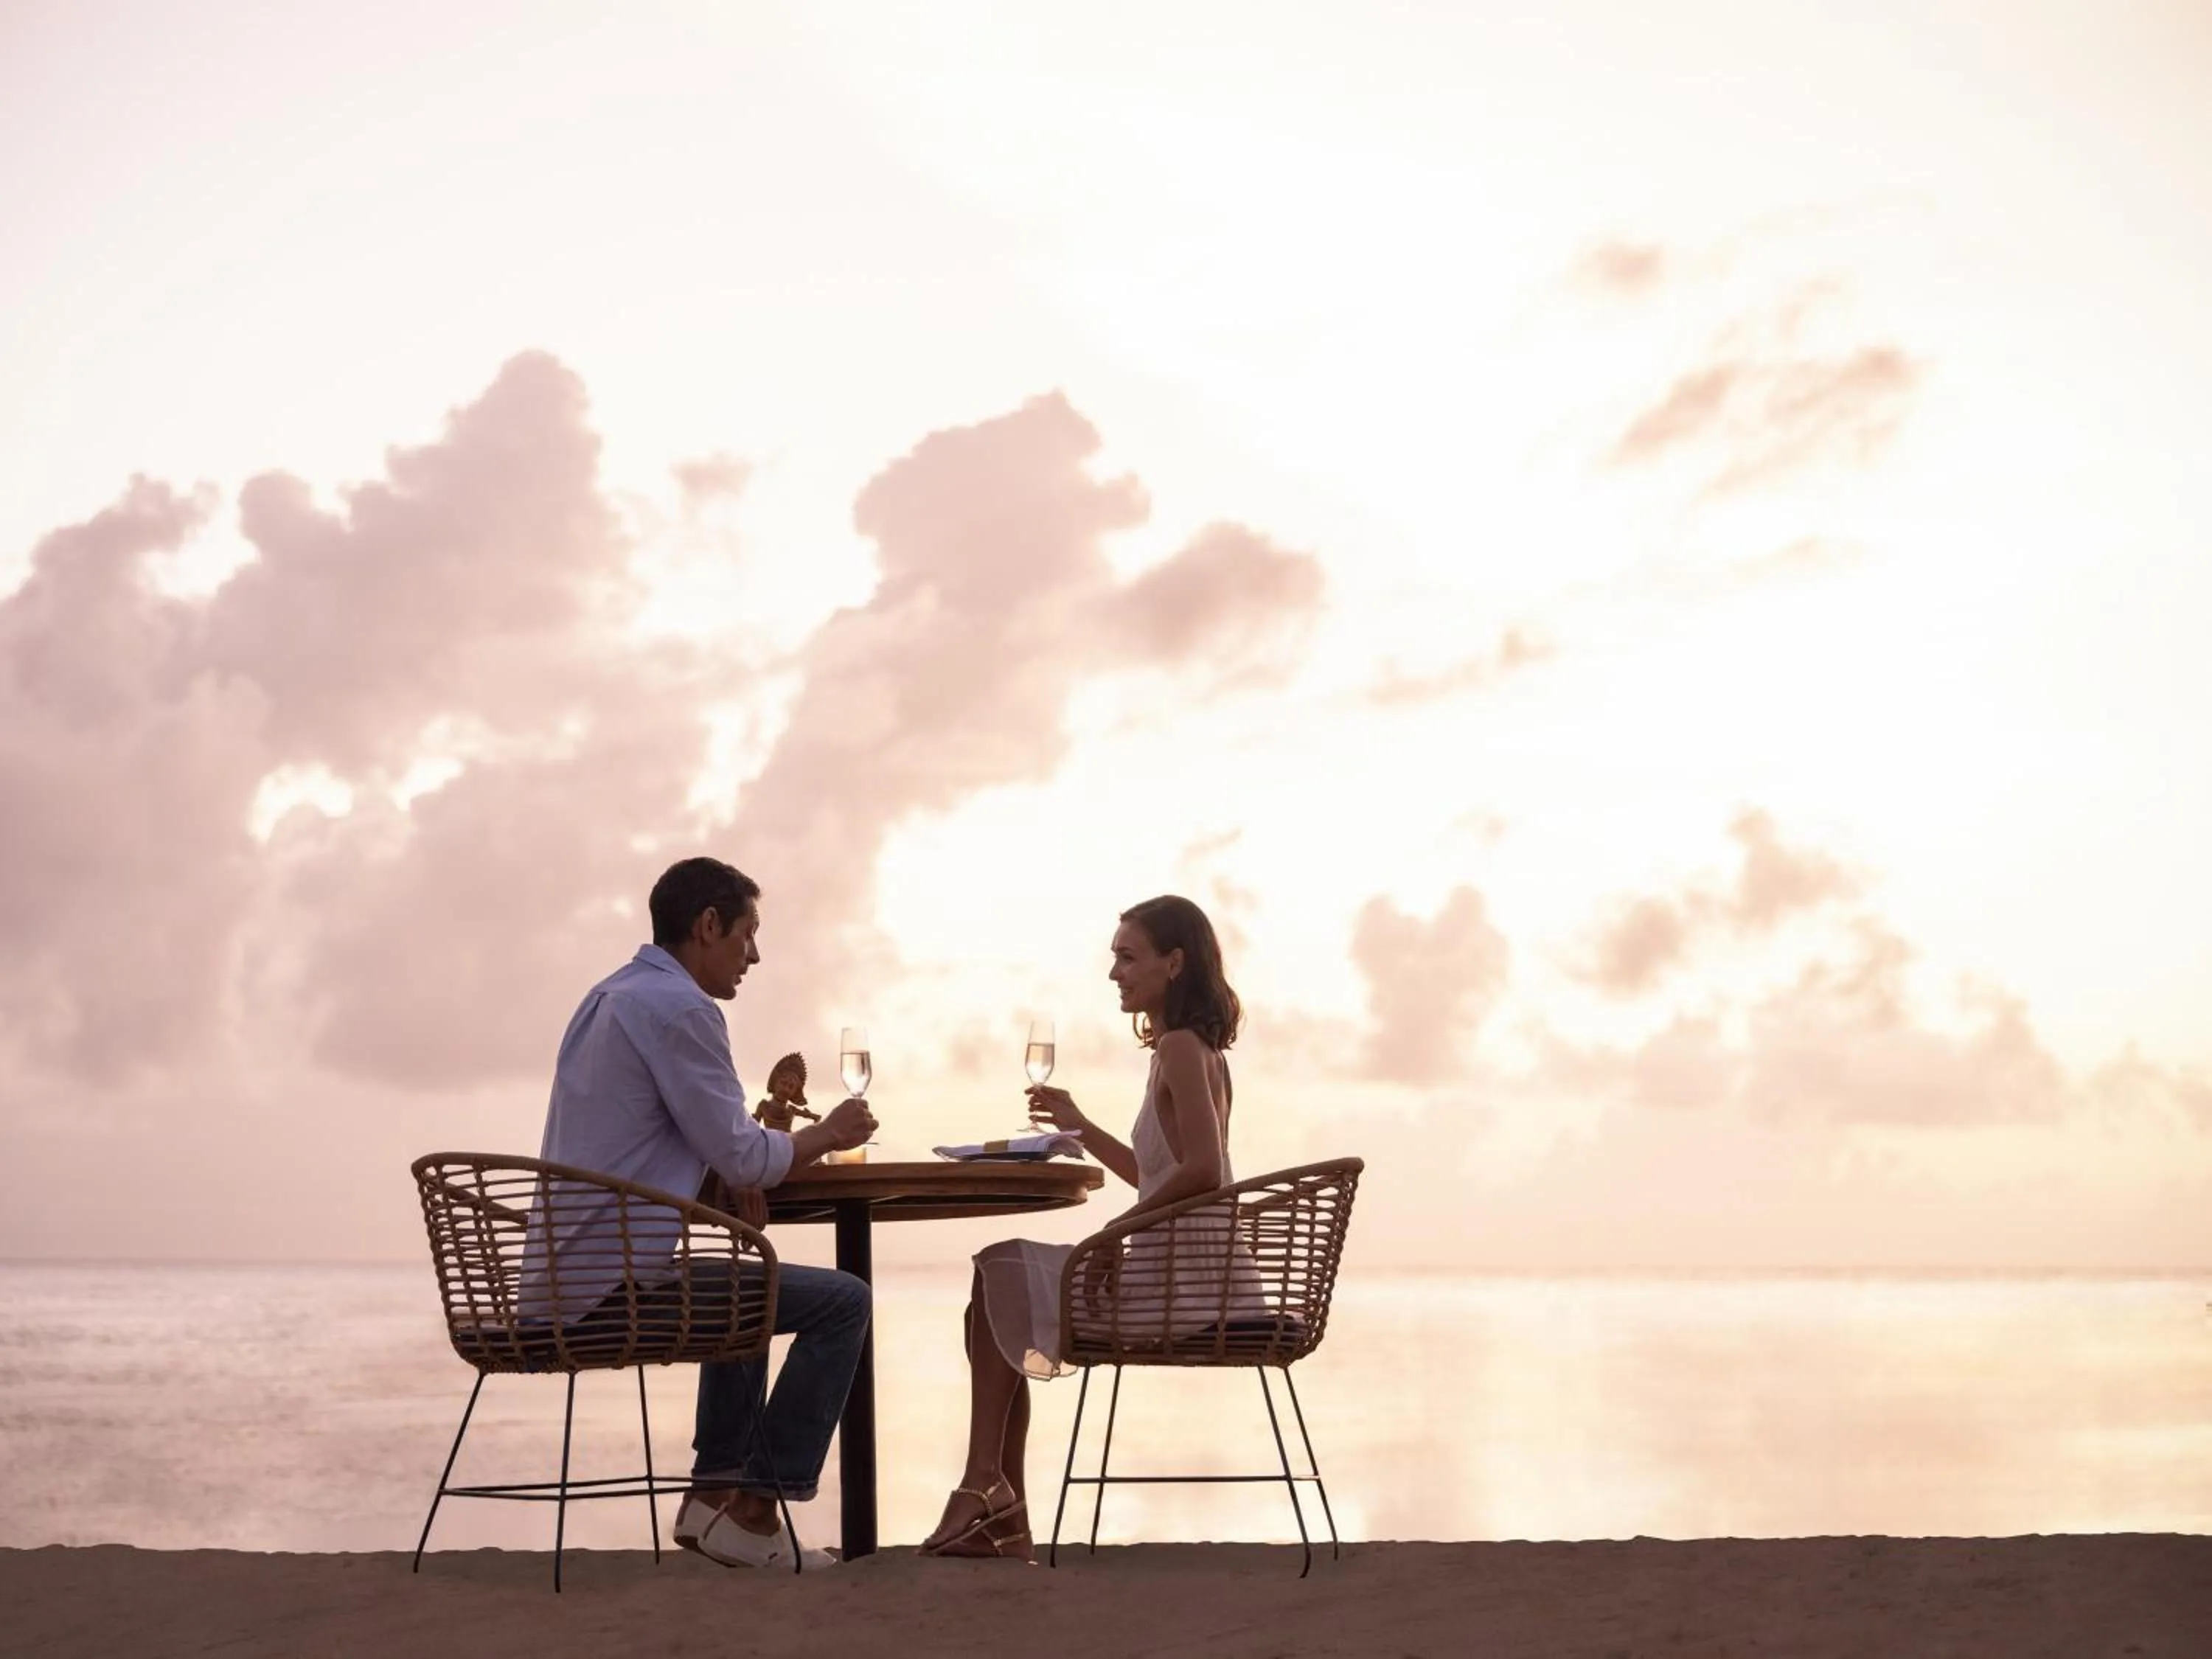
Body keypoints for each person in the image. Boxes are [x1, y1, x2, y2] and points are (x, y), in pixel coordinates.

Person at [537, 856, 877, 1570]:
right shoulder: (684, 1009)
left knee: (745, 1282)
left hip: (561, 1281)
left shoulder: (608, 997)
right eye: (747, 935)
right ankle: (754, 1515)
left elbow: (680, 1145)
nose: (755, 955)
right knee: (843, 1303)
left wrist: (725, 1169)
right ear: (709, 925)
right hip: (612, 1292)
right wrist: (830, 1135)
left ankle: (710, 1500)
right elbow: (749, 1158)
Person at [919, 894, 1267, 1560]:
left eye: (1126, 957)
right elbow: (1160, 1175)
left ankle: (989, 1496)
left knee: (1000, 1271)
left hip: (1184, 1295)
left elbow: (1204, 1174)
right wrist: (1077, 1127)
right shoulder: (1191, 1052)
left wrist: (1109, 1238)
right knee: (995, 1290)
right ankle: (996, 1503)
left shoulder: (1178, 1049)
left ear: (1174, 964)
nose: (1114, 972)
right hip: (1189, 1278)